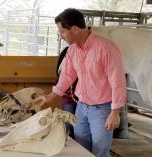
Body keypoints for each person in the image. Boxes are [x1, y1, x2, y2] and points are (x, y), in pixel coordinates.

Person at [34, 8, 126, 157]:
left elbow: (118, 82)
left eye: (62, 32)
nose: (61, 36)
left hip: (102, 110)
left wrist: (115, 113)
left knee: (99, 152)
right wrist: (50, 96)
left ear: (75, 29)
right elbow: (67, 77)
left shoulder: (106, 48)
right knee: (80, 150)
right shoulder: (72, 50)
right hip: (81, 108)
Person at [56, 46, 78, 138]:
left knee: (79, 127)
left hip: (83, 100)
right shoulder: (67, 52)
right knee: (68, 125)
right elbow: (60, 74)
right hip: (69, 98)